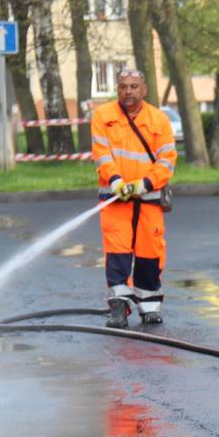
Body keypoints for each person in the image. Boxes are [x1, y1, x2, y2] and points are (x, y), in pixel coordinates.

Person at [91, 70, 178, 328]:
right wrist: (115, 180)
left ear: (144, 89)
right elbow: (102, 154)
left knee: (150, 254)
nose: (128, 91)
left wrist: (145, 184)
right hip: (115, 200)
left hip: (149, 199)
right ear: (117, 89)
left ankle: (149, 306)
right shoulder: (103, 116)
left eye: (134, 86)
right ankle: (118, 309)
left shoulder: (158, 120)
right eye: (123, 86)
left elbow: (167, 159)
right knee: (117, 255)